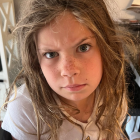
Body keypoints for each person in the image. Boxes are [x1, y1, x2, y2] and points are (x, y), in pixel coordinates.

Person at [0, 0, 136, 140]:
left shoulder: (112, 91)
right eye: (51, 54)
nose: (69, 71)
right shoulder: (25, 109)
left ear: (105, 46)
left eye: (83, 47)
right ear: (35, 59)